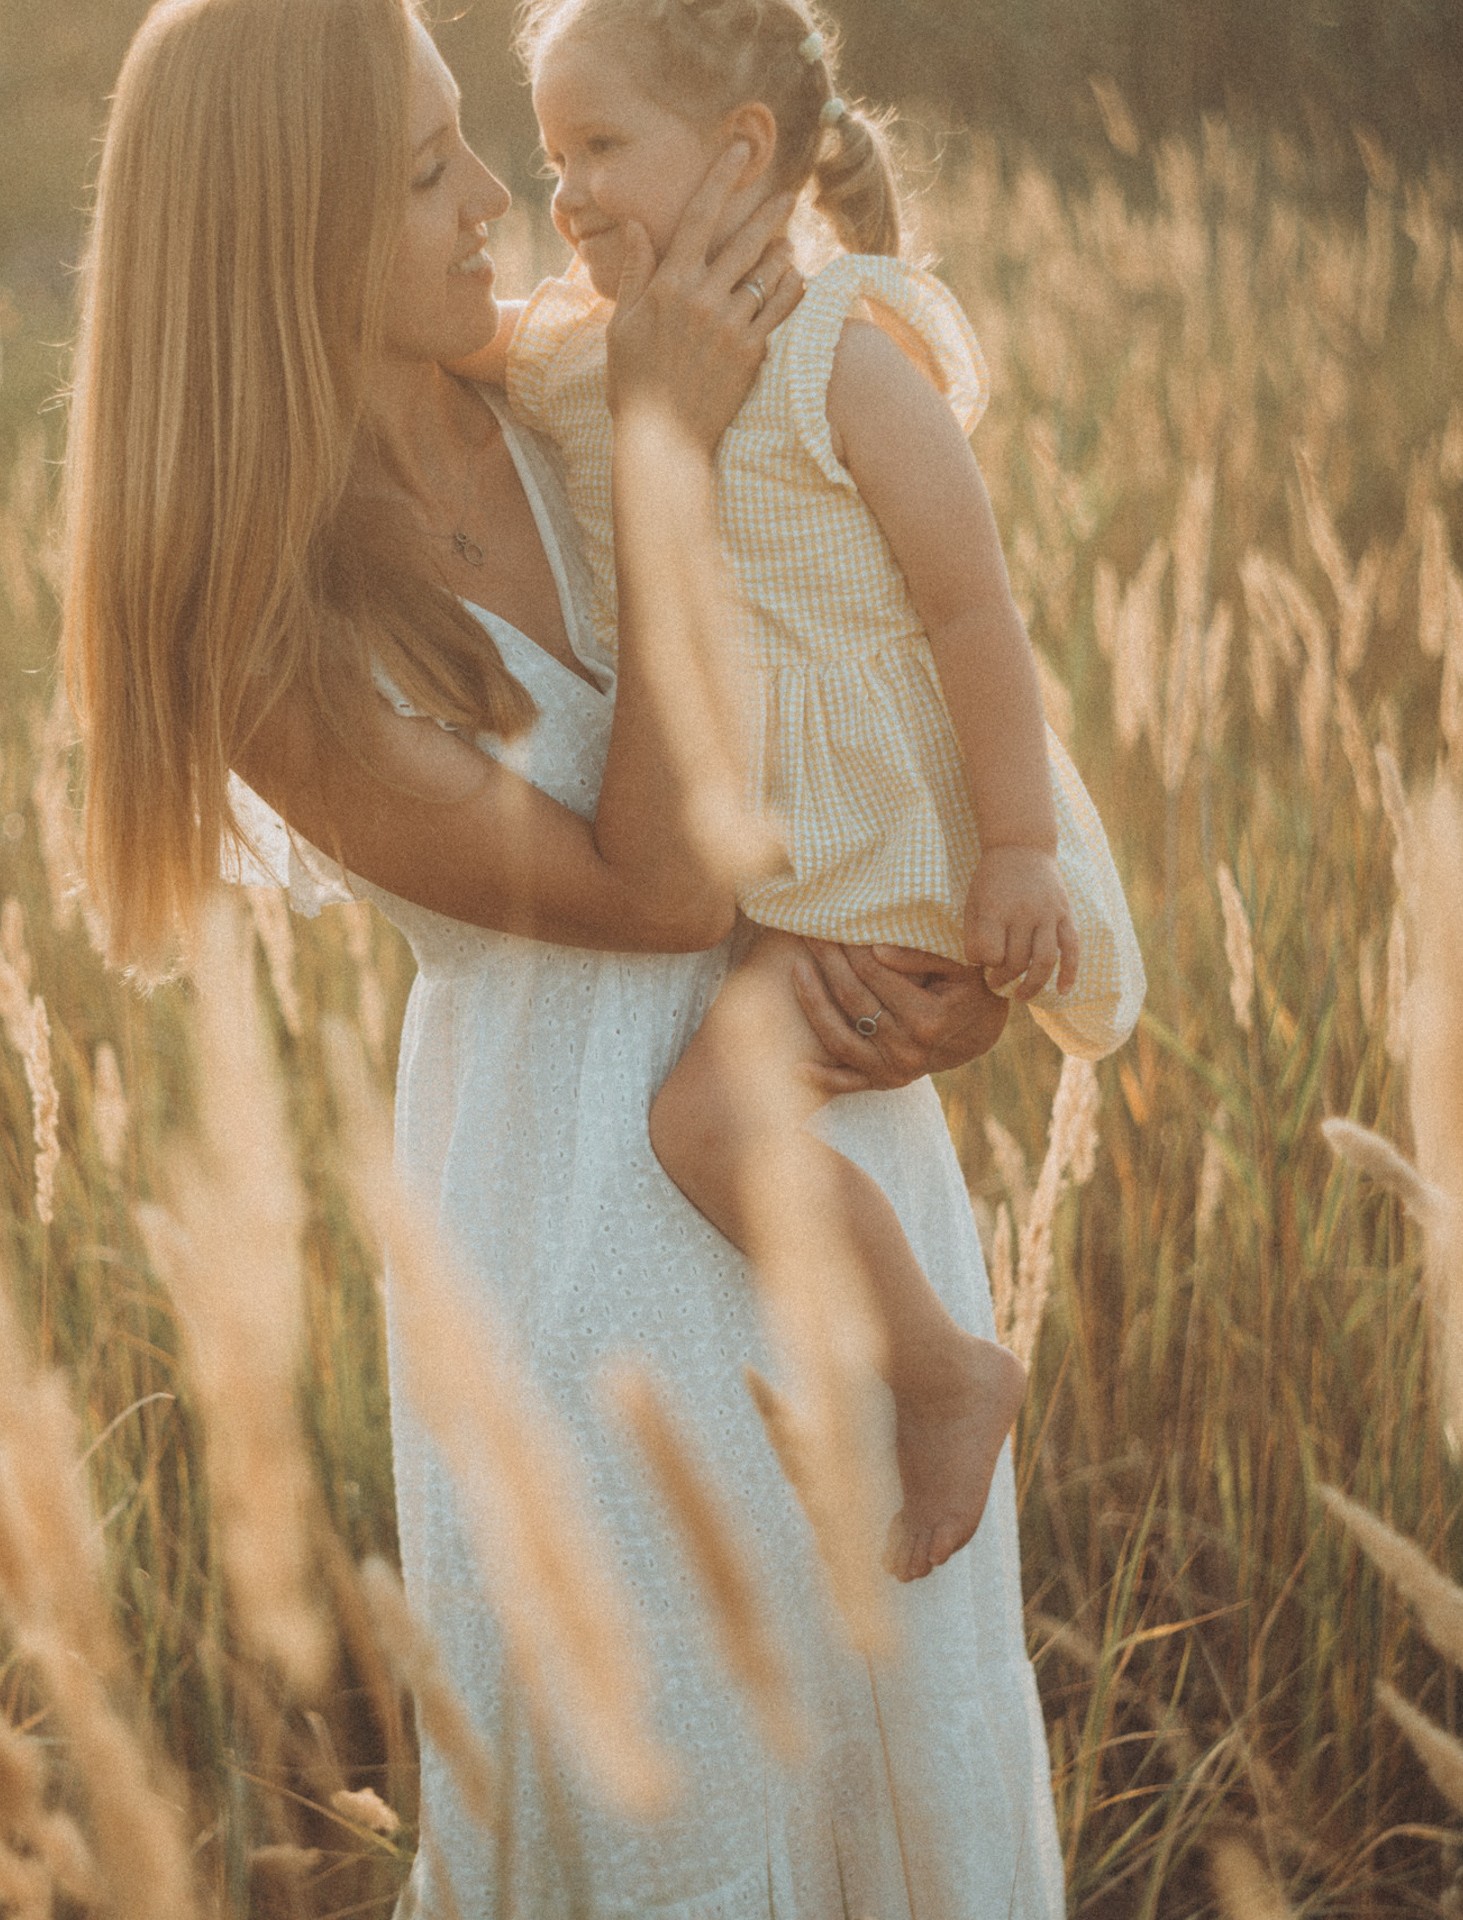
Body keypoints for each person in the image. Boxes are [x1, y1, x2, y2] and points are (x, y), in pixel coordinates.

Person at [63, 0, 1066, 1912]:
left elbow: (894, 664)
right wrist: (668, 460)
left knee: (898, 1763)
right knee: (661, 1799)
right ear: (287, 234)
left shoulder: (575, 378)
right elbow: (668, 885)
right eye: (429, 170)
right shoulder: (270, 631)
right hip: (577, 1250)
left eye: (475, 142)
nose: (495, 205)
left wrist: (955, 951)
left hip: (829, 1166)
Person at [452, 0, 1145, 1585]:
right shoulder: (585, 343)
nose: (562, 193)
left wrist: (1021, 850)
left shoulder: (845, 352)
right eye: (551, 156)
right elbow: (465, 339)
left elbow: (975, 611)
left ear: (744, 150)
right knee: (712, 1115)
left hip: (896, 852)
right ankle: (927, 1367)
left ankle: (942, 1366)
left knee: (704, 1118)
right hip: (786, 863)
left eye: (602, 148)